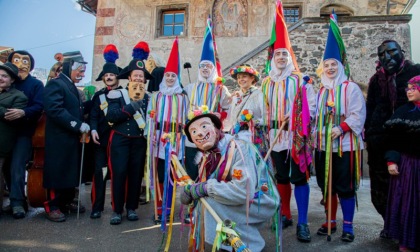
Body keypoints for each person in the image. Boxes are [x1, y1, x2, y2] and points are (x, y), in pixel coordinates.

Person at [180, 106, 280, 251]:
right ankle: (228, 242)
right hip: (243, 198)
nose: (200, 133)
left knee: (210, 200)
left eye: (204, 126)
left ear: (217, 128)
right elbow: (203, 186)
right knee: (204, 200)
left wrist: (207, 187)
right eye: (194, 132)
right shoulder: (207, 156)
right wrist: (191, 191)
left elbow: (242, 192)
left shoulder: (240, 148)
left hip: (261, 200)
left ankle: (251, 244)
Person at [260, 1, 315, 242]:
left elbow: (311, 108)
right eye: (278, 54)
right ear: (273, 57)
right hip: (275, 136)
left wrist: (293, 118)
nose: (281, 57)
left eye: (285, 53)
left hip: (296, 137)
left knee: (299, 177)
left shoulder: (300, 81)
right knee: (281, 177)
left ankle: (303, 222)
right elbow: (259, 108)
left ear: (289, 56)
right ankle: (285, 213)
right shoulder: (265, 82)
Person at [312, 12, 366, 242]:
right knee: (326, 185)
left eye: (334, 64)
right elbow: (313, 115)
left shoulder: (350, 88)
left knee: (345, 186)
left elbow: (358, 113)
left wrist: (341, 127)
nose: (330, 68)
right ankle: (330, 221)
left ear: (340, 65)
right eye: (326, 65)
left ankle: (348, 225)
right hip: (323, 146)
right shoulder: (321, 90)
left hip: (345, 145)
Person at [365, 40, 420, 238]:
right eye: (382, 54)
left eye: (391, 52)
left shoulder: (415, 73)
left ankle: (407, 230)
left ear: (401, 52)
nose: (387, 57)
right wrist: (369, 132)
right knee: (381, 190)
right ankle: (390, 225)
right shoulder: (375, 80)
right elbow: (370, 108)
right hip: (379, 142)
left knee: (408, 189)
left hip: (408, 143)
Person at [105, 41, 151, 225]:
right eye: (135, 76)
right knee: (119, 173)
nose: (139, 79)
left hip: (139, 141)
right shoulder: (117, 94)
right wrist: (131, 107)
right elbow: (111, 116)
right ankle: (117, 210)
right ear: (129, 78)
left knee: (135, 174)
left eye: (141, 76)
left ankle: (132, 208)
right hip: (120, 139)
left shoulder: (149, 98)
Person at [43, 51, 90, 222]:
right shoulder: (56, 84)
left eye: (84, 71)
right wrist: (77, 125)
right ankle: (52, 206)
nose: (83, 74)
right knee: (57, 173)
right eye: (80, 70)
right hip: (58, 138)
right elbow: (55, 110)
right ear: (70, 67)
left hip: (70, 139)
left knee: (70, 172)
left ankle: (65, 201)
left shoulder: (72, 87)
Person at [146, 37, 188, 223]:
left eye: (173, 76)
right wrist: (150, 135)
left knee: (172, 175)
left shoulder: (183, 97)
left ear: (177, 78)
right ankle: (159, 206)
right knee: (159, 174)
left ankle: (169, 207)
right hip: (158, 140)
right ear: (163, 78)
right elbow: (150, 117)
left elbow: (187, 119)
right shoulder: (156, 96)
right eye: (167, 76)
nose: (170, 78)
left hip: (176, 141)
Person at [183, 20, 231, 181]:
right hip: (193, 139)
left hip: (212, 138)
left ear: (213, 69)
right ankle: (194, 204)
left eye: (208, 66)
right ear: (199, 68)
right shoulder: (189, 88)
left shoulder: (220, 88)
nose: (205, 69)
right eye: (202, 66)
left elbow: (229, 109)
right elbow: (183, 110)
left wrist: (220, 116)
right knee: (193, 172)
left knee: (213, 172)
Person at [5, 50, 44, 219]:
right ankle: (14, 197)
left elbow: (39, 106)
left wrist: (23, 112)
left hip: (24, 132)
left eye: (25, 61)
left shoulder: (35, 84)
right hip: (5, 133)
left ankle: (18, 203)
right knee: (6, 168)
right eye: (17, 60)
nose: (21, 64)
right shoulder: (7, 83)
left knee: (17, 167)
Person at [383, 76, 420, 252]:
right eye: (408, 88)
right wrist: (392, 161)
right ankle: (407, 242)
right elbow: (393, 139)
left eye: (413, 87)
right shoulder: (403, 112)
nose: (409, 91)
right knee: (409, 204)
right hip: (410, 166)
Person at [89, 44, 123, 219]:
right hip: (101, 141)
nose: (109, 77)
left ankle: (117, 209)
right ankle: (97, 207)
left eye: (112, 75)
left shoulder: (125, 94)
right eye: (106, 75)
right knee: (100, 173)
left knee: (118, 174)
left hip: (119, 141)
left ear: (117, 77)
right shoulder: (98, 95)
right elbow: (93, 115)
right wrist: (93, 129)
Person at [0, 63, 28, 215]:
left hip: (3, 143)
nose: (0, 78)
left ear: (12, 80)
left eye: (4, 76)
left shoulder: (19, 96)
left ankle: (16, 203)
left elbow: (9, 117)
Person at [228, 64, 267, 154]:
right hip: (237, 139)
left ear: (252, 78)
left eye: (244, 77)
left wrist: (253, 122)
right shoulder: (236, 97)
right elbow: (232, 119)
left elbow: (266, 118)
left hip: (254, 137)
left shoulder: (258, 94)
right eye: (238, 77)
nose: (241, 80)